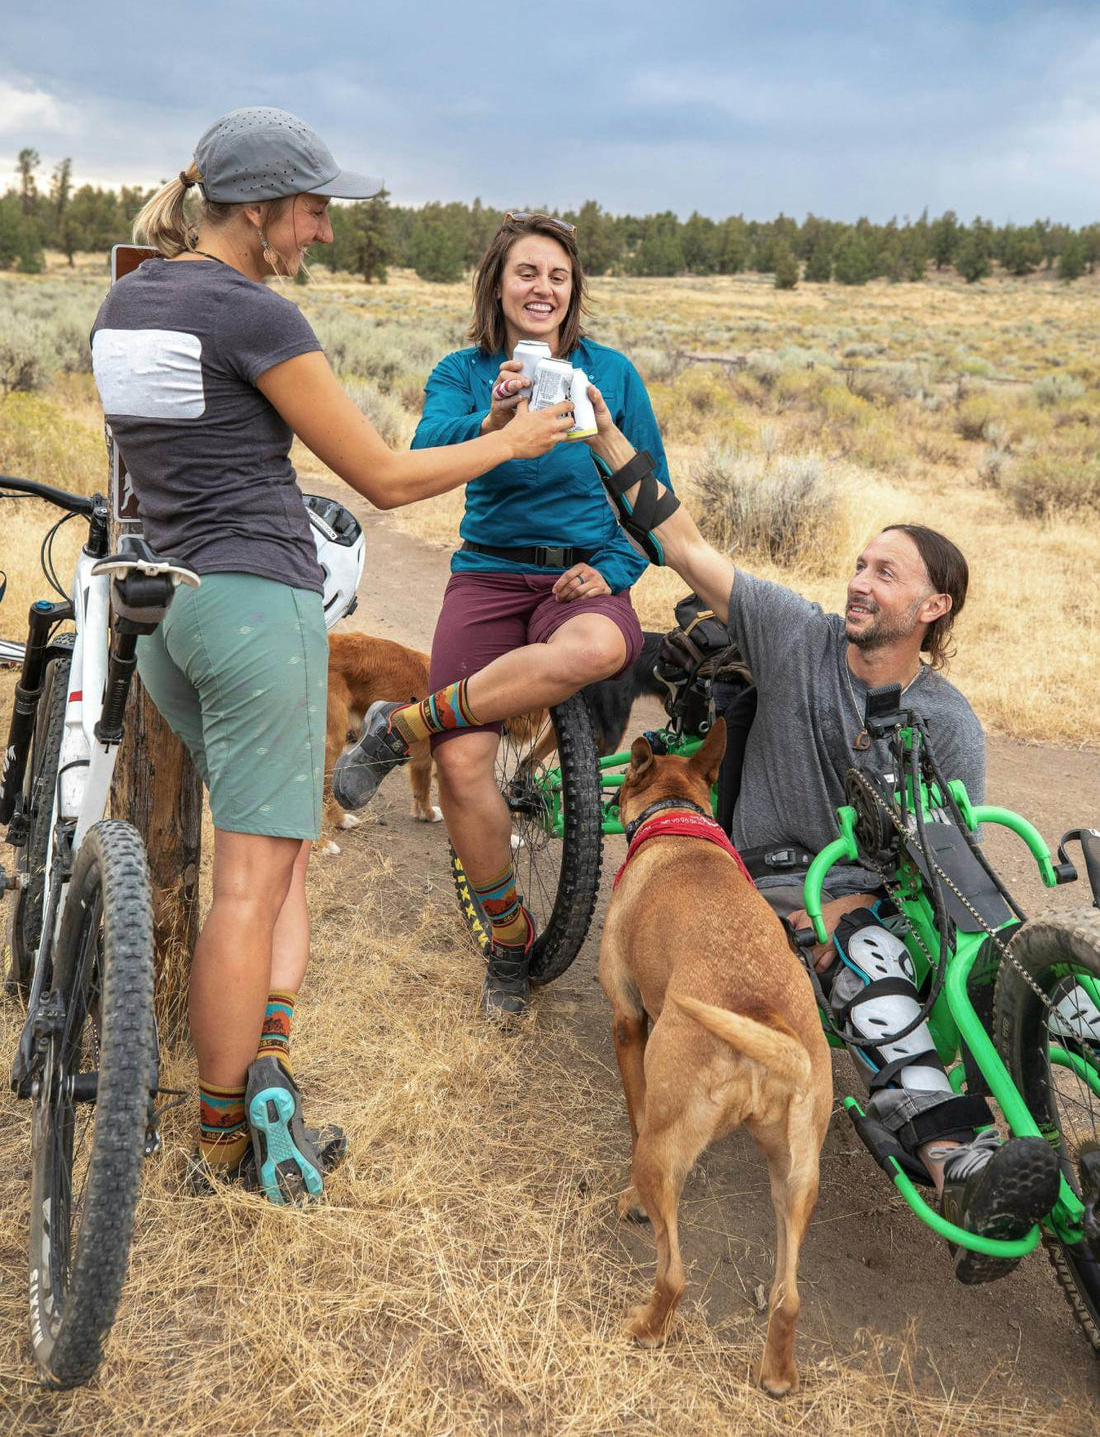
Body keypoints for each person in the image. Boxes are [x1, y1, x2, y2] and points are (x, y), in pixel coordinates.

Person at [90, 111, 573, 1201]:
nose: (320, 229)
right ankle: (224, 1147)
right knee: (250, 887)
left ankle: (266, 1066)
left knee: (278, 858)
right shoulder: (254, 311)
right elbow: (385, 480)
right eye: (311, 209)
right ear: (256, 208)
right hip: (257, 610)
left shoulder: (131, 299)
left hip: (172, 616)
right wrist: (512, 440)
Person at [572, 390, 1061, 1284]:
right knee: (860, 952)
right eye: (860, 564)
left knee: (986, 951)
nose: (859, 582)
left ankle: (1019, 1108)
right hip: (764, 880)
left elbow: (951, 862)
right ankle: (955, 1161)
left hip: (881, 886)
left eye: (886, 573)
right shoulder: (798, 637)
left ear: (934, 606)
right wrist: (606, 433)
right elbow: (683, 544)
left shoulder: (948, 722)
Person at [333, 212, 669, 1019]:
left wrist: (615, 567)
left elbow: (650, 491)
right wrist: (489, 421)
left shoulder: (611, 373)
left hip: (582, 583)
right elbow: (422, 452)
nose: (542, 288)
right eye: (527, 273)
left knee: (595, 651)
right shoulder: (463, 370)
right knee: (462, 766)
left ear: (573, 290)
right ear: (498, 284)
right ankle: (510, 945)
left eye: (557, 275)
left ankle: (403, 725)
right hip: (488, 576)